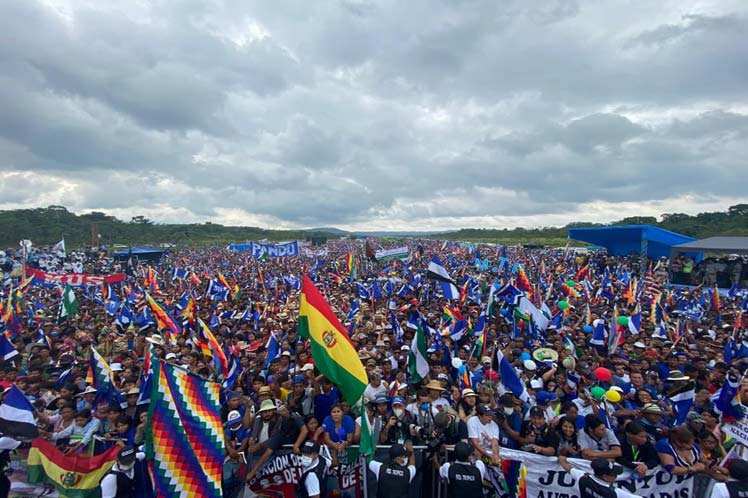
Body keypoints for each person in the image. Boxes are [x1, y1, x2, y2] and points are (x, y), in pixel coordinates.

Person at [558, 456, 644, 498]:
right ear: (605, 477)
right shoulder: (614, 493)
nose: (616, 476)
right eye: (614, 474)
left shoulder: (583, 478)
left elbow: (568, 468)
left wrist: (561, 459)